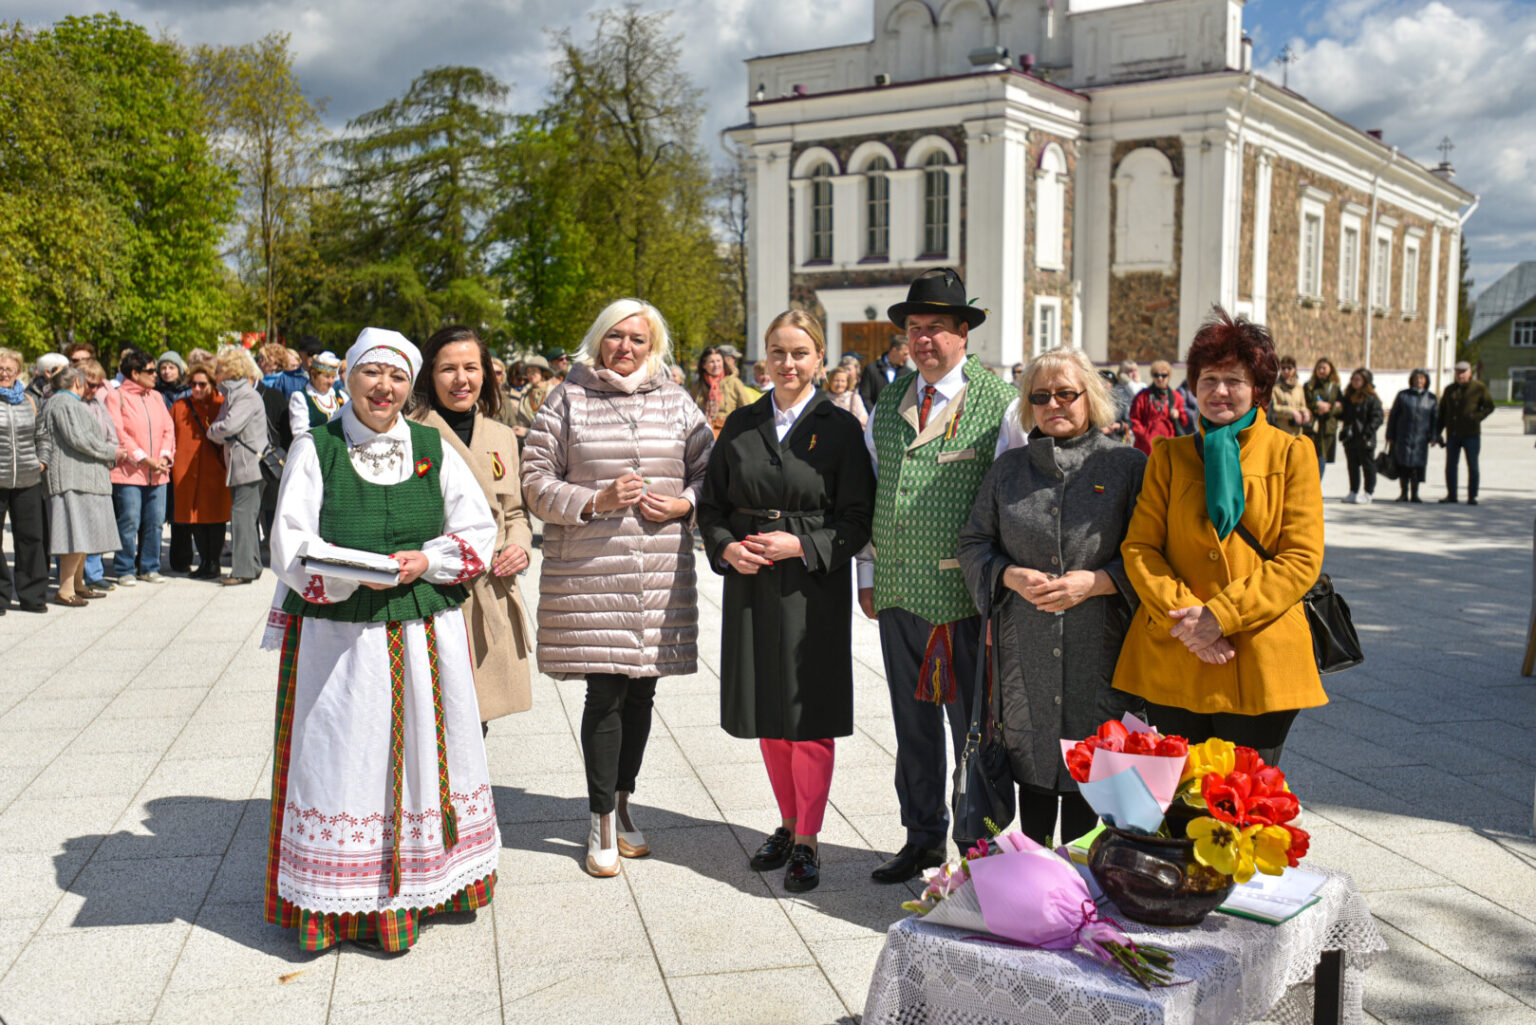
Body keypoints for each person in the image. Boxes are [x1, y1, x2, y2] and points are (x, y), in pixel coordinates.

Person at [266, 327, 499, 953]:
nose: (384, 388)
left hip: (424, 633)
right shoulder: (316, 448)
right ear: (348, 377)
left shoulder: (431, 445)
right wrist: (347, 570)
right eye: (372, 374)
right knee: (348, 752)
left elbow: (477, 525)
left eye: (397, 377)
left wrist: (429, 561)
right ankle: (342, 902)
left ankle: (433, 882)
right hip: (344, 642)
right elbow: (290, 542)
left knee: (429, 748)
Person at [521, 298, 713, 878]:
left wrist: (686, 503)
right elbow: (534, 479)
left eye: (637, 339)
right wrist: (594, 501)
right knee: (604, 692)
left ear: (652, 346)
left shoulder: (678, 401)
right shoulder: (568, 398)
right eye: (615, 337)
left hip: (657, 573)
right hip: (590, 573)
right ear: (597, 340)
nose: (625, 348)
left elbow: (710, 470)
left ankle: (624, 802)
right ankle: (601, 816)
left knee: (642, 693)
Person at [697, 310, 876, 893]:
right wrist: (725, 549)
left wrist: (802, 543)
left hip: (811, 586)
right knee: (768, 715)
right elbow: (713, 505)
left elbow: (856, 520)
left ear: (819, 359)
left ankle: (809, 839)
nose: (789, 363)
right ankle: (788, 821)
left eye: (800, 353)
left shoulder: (842, 428)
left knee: (809, 718)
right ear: (764, 359)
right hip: (750, 581)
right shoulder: (741, 423)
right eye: (778, 352)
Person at [856, 267, 1016, 882]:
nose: (924, 340)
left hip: (967, 599)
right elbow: (877, 492)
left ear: (963, 336)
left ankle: (980, 854)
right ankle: (922, 839)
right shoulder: (890, 404)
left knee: (975, 733)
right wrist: (867, 572)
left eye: (937, 329)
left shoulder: (1000, 405)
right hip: (899, 593)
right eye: (915, 329)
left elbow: (1012, 501)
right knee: (912, 727)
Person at [1113, 307, 1325, 766]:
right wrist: (1191, 623)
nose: (1219, 391)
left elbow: (1301, 559)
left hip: (1258, 654)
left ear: (1260, 389)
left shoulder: (1292, 454)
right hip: (1178, 649)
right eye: (1208, 379)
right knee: (1182, 804)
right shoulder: (1169, 457)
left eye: (1234, 379)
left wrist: (1221, 617)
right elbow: (1140, 547)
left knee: (1246, 805)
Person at [958, 348, 1146, 847]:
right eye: (1040, 396)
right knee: (1035, 764)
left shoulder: (1126, 465)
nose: (1053, 404)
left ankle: (1091, 885)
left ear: (1092, 395)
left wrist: (1099, 581)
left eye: (1066, 393)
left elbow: (1154, 555)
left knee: (1096, 768)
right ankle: (1037, 881)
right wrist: (1008, 575)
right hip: (1028, 648)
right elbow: (973, 542)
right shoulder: (1008, 470)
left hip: (1100, 647)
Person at [408, 326, 534, 729]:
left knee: (475, 722)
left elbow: (514, 513)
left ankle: (466, 794)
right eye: (448, 368)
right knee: (428, 718)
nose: (461, 379)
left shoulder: (501, 436)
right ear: (429, 374)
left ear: (485, 374)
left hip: (488, 594)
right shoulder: (408, 432)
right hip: (429, 591)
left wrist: (520, 545)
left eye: (471, 367)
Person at [41, 367, 119, 606]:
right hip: (71, 479)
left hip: (83, 479)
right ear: (77, 381)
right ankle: (65, 589)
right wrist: (110, 451)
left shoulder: (66, 402)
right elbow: (78, 438)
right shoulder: (62, 402)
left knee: (84, 534)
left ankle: (77, 584)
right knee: (74, 536)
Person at [105, 349, 174, 586]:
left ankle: (149, 566)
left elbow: (168, 428)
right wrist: (144, 459)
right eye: (150, 371)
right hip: (128, 473)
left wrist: (164, 456)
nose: (156, 375)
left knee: (155, 521)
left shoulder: (156, 397)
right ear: (134, 373)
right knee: (129, 521)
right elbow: (118, 432)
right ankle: (124, 567)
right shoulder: (116, 396)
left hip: (158, 473)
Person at [206, 348, 269, 585]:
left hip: (249, 465)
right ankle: (251, 566)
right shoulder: (236, 394)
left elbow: (228, 426)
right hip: (243, 464)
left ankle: (242, 570)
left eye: (220, 368)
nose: (216, 373)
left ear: (232, 370)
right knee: (246, 516)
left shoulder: (244, 396)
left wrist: (212, 430)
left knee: (241, 517)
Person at [0, 348, 52, 613]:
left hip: (29, 478)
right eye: (0, 369)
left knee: (31, 538)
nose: (4, 373)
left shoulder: (29, 401)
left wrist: (41, 461)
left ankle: (33, 596)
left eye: (9, 369)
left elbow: (43, 435)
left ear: (18, 372)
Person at [170, 364, 231, 579]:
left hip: (214, 469)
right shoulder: (180, 406)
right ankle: (204, 561)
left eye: (202, 384)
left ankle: (213, 562)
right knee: (194, 517)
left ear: (212, 384)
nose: (197, 388)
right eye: (193, 384)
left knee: (215, 518)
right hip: (187, 469)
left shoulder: (221, 404)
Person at [78, 360, 119, 591]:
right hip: (81, 470)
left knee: (97, 523)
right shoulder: (71, 405)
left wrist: (111, 453)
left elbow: (111, 433)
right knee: (79, 524)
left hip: (101, 470)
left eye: (97, 385)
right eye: (90, 384)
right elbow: (84, 440)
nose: (93, 389)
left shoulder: (98, 404)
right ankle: (74, 574)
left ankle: (94, 572)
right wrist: (108, 451)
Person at [1437, 360, 1495, 505]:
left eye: (1463, 372)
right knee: (1451, 465)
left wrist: (1476, 418)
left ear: (1470, 373)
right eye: (1458, 372)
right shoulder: (1449, 389)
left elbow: (1489, 406)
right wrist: (1437, 432)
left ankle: (1472, 496)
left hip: (1471, 434)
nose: (1460, 375)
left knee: (1473, 466)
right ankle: (1452, 495)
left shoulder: (1478, 388)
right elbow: (1442, 412)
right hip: (1453, 434)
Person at [1386, 369, 1437, 503]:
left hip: (1421, 438)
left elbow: (1435, 419)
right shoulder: (1403, 396)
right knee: (1403, 465)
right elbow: (1393, 416)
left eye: (1421, 378)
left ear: (1426, 381)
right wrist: (1390, 435)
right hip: (1403, 436)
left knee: (1416, 467)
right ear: (1412, 380)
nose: (1419, 381)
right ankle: (1404, 493)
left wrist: (1434, 436)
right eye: (1416, 378)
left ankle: (1415, 494)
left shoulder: (1431, 398)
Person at [1338, 368, 1383, 504]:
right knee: (1352, 465)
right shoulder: (1348, 397)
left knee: (1368, 466)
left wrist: (1368, 432)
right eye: (1353, 379)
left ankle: (1368, 492)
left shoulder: (1371, 398)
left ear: (1364, 381)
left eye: (1358, 380)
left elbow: (1377, 417)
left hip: (1365, 438)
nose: (1354, 382)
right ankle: (1353, 491)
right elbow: (1343, 415)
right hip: (1351, 438)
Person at [1128, 359, 1189, 454]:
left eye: (1164, 375)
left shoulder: (1176, 397)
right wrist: (1144, 436)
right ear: (1152, 376)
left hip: (1169, 443)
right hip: (1146, 446)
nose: (1160, 378)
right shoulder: (1142, 396)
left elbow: (1184, 421)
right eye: (1156, 375)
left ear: (1169, 376)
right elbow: (1134, 419)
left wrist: (1178, 415)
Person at [692, 346, 754, 436]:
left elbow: (747, 410)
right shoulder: (698, 386)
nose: (716, 365)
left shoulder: (734, 383)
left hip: (729, 434)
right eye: (712, 362)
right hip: (704, 434)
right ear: (704, 365)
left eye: (718, 361)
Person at [287, 351, 346, 438]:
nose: (330, 381)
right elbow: (300, 434)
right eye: (326, 376)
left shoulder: (341, 396)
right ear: (313, 374)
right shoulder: (301, 397)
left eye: (333, 377)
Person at [1303, 357, 1342, 480]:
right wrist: (1316, 408)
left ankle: (1317, 485)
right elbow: (1306, 402)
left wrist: (1328, 409)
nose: (1321, 370)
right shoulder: (1309, 386)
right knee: (1309, 456)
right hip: (1312, 427)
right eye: (1319, 368)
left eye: (1324, 368)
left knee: (1322, 457)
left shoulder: (1335, 387)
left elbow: (1341, 407)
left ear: (1330, 369)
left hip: (1327, 427)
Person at [858, 336, 911, 412]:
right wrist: (875, 415)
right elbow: (865, 396)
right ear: (894, 351)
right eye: (905, 354)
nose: (908, 358)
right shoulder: (871, 369)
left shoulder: (908, 373)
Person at [511, 355, 554, 441]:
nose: (530, 375)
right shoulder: (525, 396)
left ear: (543, 372)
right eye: (528, 372)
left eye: (534, 371)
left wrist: (528, 432)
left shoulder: (555, 393)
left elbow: (556, 428)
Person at [1269, 356, 1311, 437]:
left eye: (1289, 368)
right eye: (1283, 368)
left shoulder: (1299, 387)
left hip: (1297, 432)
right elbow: (1273, 409)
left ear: (1294, 369)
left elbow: (1303, 406)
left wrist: (1306, 412)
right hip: (1281, 431)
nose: (1286, 371)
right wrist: (1291, 412)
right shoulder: (1275, 387)